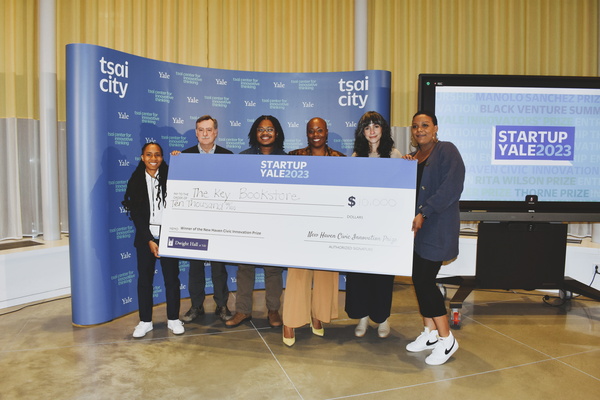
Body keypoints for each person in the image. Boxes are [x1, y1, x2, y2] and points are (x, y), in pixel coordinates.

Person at [402, 111, 465, 365]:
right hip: (418, 232)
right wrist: (404, 168)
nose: (420, 130)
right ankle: (429, 334)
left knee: (426, 282)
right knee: (419, 280)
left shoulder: (447, 150)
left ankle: (446, 338)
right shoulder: (414, 158)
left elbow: (452, 187)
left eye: (425, 125)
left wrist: (424, 212)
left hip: (437, 228)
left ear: (435, 128)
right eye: (415, 126)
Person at [282, 117, 344, 346]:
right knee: (298, 274)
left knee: (326, 273)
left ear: (327, 132)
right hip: (300, 225)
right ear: (306, 134)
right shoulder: (294, 157)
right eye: (311, 131)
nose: (315, 134)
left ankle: (318, 317)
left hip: (328, 224)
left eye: (319, 130)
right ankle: (290, 322)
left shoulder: (340, 159)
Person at [344, 111, 402, 339]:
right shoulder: (356, 156)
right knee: (361, 274)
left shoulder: (395, 155)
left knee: (382, 275)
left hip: (385, 226)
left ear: (383, 129)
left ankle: (383, 318)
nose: (371, 131)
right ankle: (363, 317)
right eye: (367, 127)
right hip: (361, 225)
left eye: (375, 126)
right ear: (362, 132)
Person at [225, 115, 286, 328]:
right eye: (261, 129)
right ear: (254, 133)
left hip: (275, 225)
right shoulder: (243, 158)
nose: (265, 133)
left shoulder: (287, 161)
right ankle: (242, 311)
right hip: (248, 224)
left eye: (270, 129)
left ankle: (273, 311)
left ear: (276, 133)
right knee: (245, 269)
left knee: (273, 270)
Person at [171, 115, 232, 323]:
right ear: (196, 132)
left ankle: (222, 305)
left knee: (218, 268)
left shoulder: (228, 156)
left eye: (209, 129)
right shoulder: (184, 156)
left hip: (219, 222)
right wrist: (176, 160)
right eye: (201, 130)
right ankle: (196, 306)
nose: (205, 133)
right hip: (194, 222)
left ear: (216, 132)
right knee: (195, 267)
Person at [122, 142, 184, 338]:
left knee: (172, 280)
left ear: (162, 157)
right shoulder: (135, 180)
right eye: (149, 155)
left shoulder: (171, 175)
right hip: (145, 237)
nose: (153, 158)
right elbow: (137, 215)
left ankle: (173, 319)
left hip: (169, 235)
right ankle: (145, 321)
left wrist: (180, 159)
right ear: (142, 157)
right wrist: (149, 239)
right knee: (145, 280)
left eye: (157, 155)